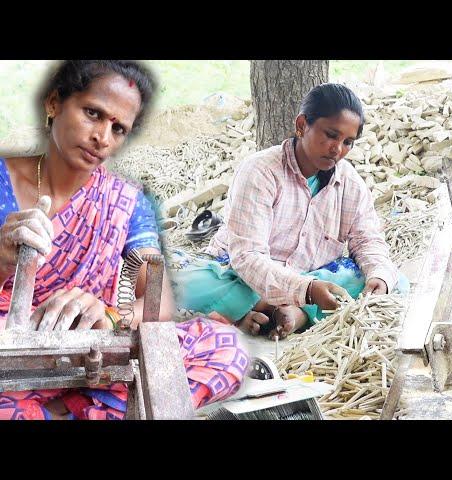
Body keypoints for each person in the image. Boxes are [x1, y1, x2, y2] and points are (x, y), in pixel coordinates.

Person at [0, 60, 248, 420]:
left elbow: (156, 303)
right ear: (54, 103)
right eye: (92, 113)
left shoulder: (126, 202)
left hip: (91, 355)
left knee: (224, 346)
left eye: (118, 128)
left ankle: (65, 411)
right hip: (12, 352)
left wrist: (110, 316)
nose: (102, 137)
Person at [172, 83, 407, 340]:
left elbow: (368, 241)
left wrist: (379, 279)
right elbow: (247, 257)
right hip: (239, 275)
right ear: (302, 125)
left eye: (348, 142)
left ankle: (289, 313)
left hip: (311, 279)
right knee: (179, 283)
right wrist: (306, 290)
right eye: (330, 135)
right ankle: (279, 306)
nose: (337, 149)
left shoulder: (350, 183)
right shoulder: (260, 171)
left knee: (393, 282)